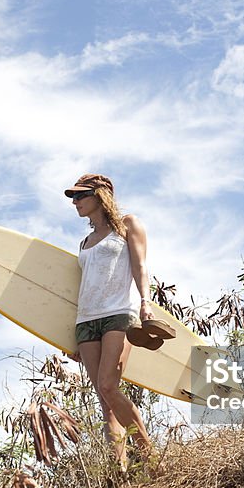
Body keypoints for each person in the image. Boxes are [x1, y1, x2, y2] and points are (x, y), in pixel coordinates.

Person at [63, 173, 153, 469]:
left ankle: (151, 457)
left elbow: (140, 266)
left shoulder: (127, 225)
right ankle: (119, 473)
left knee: (108, 386)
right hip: (86, 322)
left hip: (118, 315)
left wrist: (145, 303)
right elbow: (80, 287)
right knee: (105, 403)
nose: (75, 202)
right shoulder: (85, 242)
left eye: (80, 196)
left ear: (100, 195)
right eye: (73, 197)